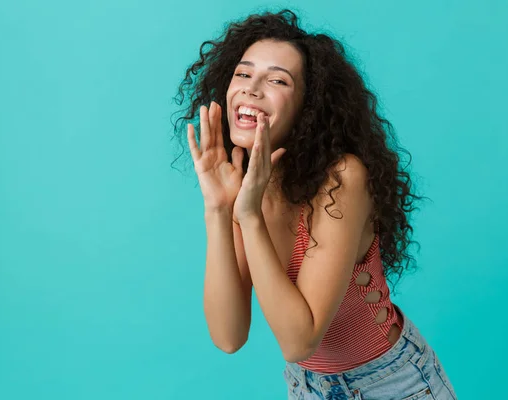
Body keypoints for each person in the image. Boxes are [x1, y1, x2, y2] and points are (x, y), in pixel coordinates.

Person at [172, 9, 457, 400]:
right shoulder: (245, 182)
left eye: (276, 80)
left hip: (391, 384)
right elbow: (228, 335)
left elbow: (299, 340)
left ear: (308, 105)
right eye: (243, 73)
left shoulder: (342, 179)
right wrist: (219, 209)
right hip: (307, 387)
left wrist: (249, 215)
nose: (251, 89)